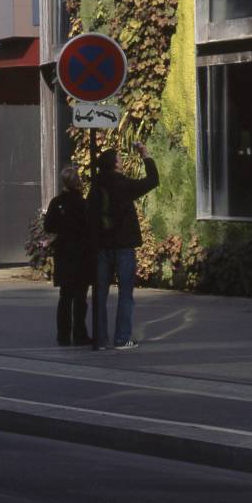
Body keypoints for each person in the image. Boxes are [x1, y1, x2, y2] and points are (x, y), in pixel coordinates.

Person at [89, 145, 158, 351]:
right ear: (116, 165)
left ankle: (100, 339)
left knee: (100, 293)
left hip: (102, 246)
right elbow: (153, 180)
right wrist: (146, 156)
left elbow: (90, 216)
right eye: (119, 158)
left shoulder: (96, 186)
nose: (122, 160)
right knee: (125, 294)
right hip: (124, 245)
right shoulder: (123, 185)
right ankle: (122, 338)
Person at [41, 164, 95, 347]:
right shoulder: (82, 203)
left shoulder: (57, 203)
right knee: (80, 298)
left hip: (63, 253)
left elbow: (48, 226)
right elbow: (89, 228)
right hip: (81, 253)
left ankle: (63, 335)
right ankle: (80, 334)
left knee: (65, 297)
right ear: (77, 181)